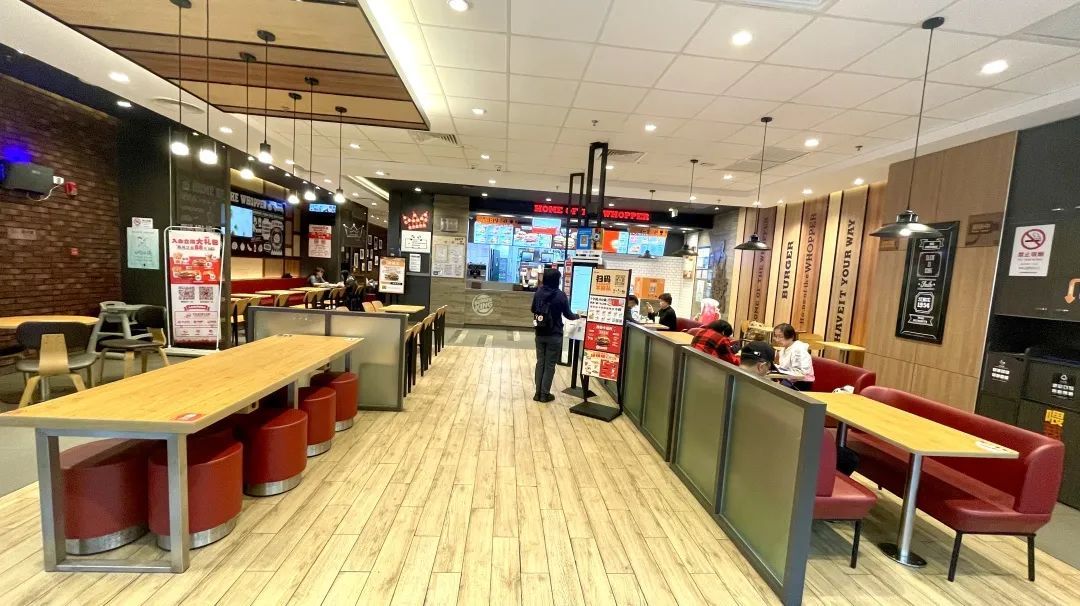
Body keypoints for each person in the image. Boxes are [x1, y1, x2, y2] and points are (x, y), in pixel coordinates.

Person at [531, 267, 579, 403]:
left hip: (540, 332)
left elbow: (533, 309)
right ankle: (544, 394)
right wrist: (578, 316)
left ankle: (537, 393)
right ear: (557, 280)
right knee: (550, 365)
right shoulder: (561, 295)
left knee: (540, 362)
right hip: (554, 334)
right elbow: (568, 315)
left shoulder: (538, 292)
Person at [773, 323, 815, 391]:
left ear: (791, 337)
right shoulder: (783, 349)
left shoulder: (799, 349)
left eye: (780, 337)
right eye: (776, 336)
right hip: (788, 380)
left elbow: (800, 374)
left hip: (801, 384)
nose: (777, 340)